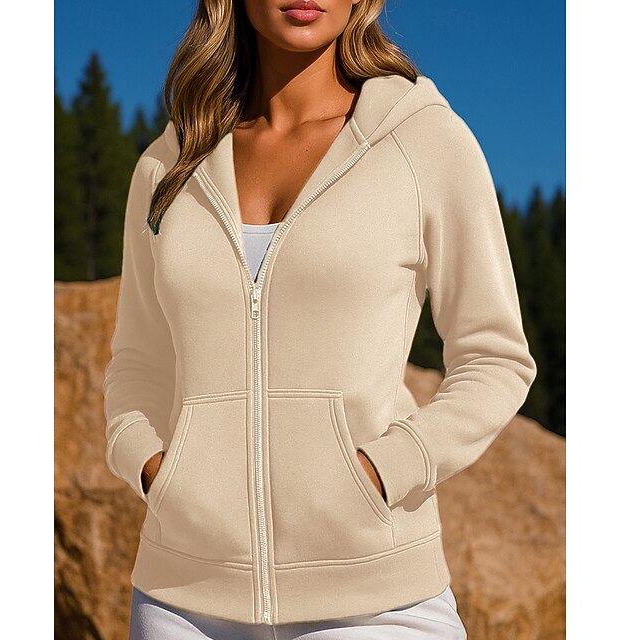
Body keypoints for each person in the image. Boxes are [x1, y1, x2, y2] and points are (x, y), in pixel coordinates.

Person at [102, 0, 537, 638]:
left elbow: (495, 357)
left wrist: (384, 470)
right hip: (182, 599)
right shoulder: (167, 166)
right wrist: (150, 464)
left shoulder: (423, 142)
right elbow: (137, 360)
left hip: (376, 596)